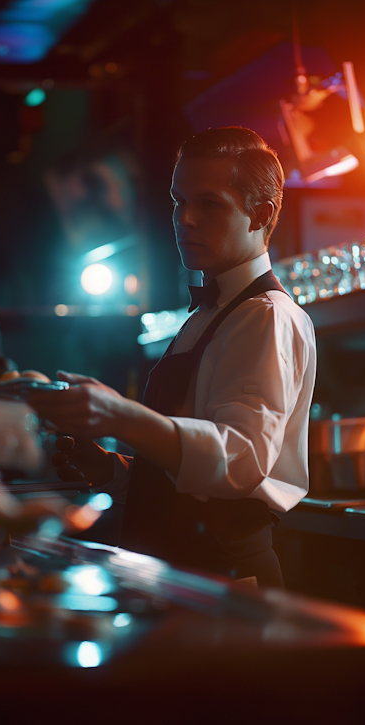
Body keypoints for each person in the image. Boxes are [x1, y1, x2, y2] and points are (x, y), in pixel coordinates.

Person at [29, 127, 317, 587]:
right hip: (173, 568)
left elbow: (239, 462)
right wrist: (108, 467)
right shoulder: (206, 314)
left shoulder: (265, 316)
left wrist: (121, 417)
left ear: (260, 215)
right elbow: (181, 480)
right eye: (179, 202)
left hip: (224, 576)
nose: (185, 220)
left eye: (210, 204)